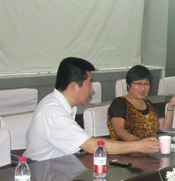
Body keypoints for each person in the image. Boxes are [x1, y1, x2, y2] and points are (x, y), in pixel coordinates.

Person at [24, 57, 160, 161]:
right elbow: (91, 146)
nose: (92, 90)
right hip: (42, 173)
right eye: (89, 84)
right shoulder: (53, 111)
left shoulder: (61, 104)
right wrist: (138, 145)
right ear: (74, 86)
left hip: (61, 165)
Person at [108, 65, 175, 140]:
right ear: (128, 85)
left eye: (146, 84)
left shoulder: (148, 104)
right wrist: (140, 143)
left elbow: (164, 127)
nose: (143, 88)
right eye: (138, 84)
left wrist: (171, 107)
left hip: (150, 145)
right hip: (128, 146)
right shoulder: (119, 103)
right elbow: (119, 130)